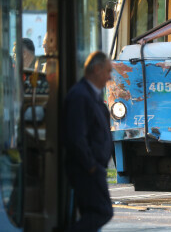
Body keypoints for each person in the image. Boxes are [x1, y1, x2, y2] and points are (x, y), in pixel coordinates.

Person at [64, 51, 114, 232]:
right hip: (87, 169)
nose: (109, 77)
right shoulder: (80, 95)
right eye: (108, 72)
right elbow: (76, 136)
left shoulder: (92, 95)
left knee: (93, 213)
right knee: (102, 211)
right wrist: (91, 165)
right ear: (96, 69)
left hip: (94, 167)